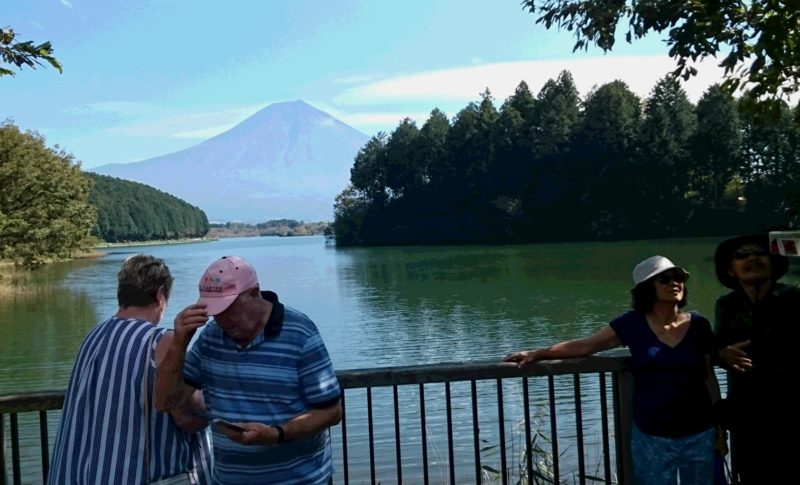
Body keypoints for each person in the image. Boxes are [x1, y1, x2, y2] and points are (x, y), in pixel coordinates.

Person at [504, 255, 721, 485]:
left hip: (699, 432)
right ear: (647, 289)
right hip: (652, 434)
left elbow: (709, 377)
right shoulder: (633, 324)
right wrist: (540, 353)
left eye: (678, 277)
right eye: (664, 279)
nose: (674, 283)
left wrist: (719, 428)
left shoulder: (699, 325)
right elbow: (587, 345)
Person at [155, 255, 342, 484]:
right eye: (216, 311)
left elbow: (332, 412)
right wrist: (179, 344)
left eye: (229, 309)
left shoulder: (300, 333)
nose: (223, 320)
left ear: (254, 293)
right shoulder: (210, 338)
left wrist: (276, 434)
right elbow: (165, 402)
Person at [48, 255, 211, 485]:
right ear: (160, 294)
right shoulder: (162, 342)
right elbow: (186, 418)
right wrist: (214, 405)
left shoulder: (94, 335)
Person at [713, 233, 799, 484]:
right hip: (747, 418)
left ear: (772, 262)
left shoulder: (793, 298)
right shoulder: (726, 305)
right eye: (742, 255)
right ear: (731, 269)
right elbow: (717, 347)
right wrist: (722, 354)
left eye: (760, 253)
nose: (752, 258)